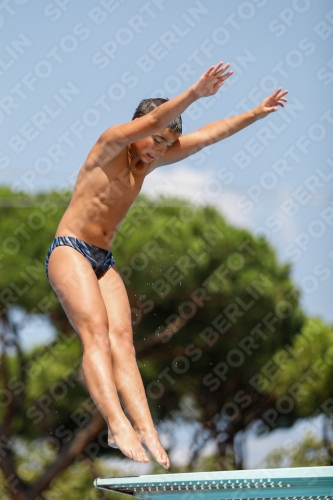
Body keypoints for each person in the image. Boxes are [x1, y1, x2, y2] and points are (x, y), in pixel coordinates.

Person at [45, 62, 288, 468]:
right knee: (98, 337)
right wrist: (196, 92)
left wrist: (255, 113)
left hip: (103, 260)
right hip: (69, 250)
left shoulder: (149, 161)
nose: (158, 148)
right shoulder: (110, 143)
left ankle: (147, 429)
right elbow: (157, 117)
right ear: (138, 127)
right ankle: (116, 423)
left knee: (123, 340)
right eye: (154, 139)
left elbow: (208, 136)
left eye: (165, 143)